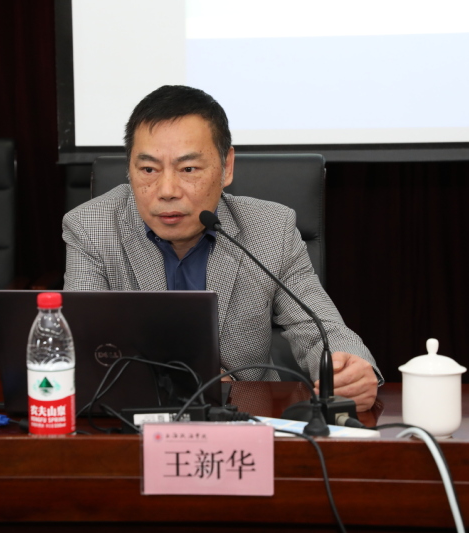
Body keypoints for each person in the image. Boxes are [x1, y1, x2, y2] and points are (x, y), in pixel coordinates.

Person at [63, 85, 381, 410]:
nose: (167, 190)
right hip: (129, 417)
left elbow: (319, 329)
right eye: (148, 170)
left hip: (248, 415)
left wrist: (349, 369)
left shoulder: (271, 228)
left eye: (188, 169)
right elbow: (82, 346)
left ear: (226, 167)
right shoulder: (91, 228)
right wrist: (186, 378)